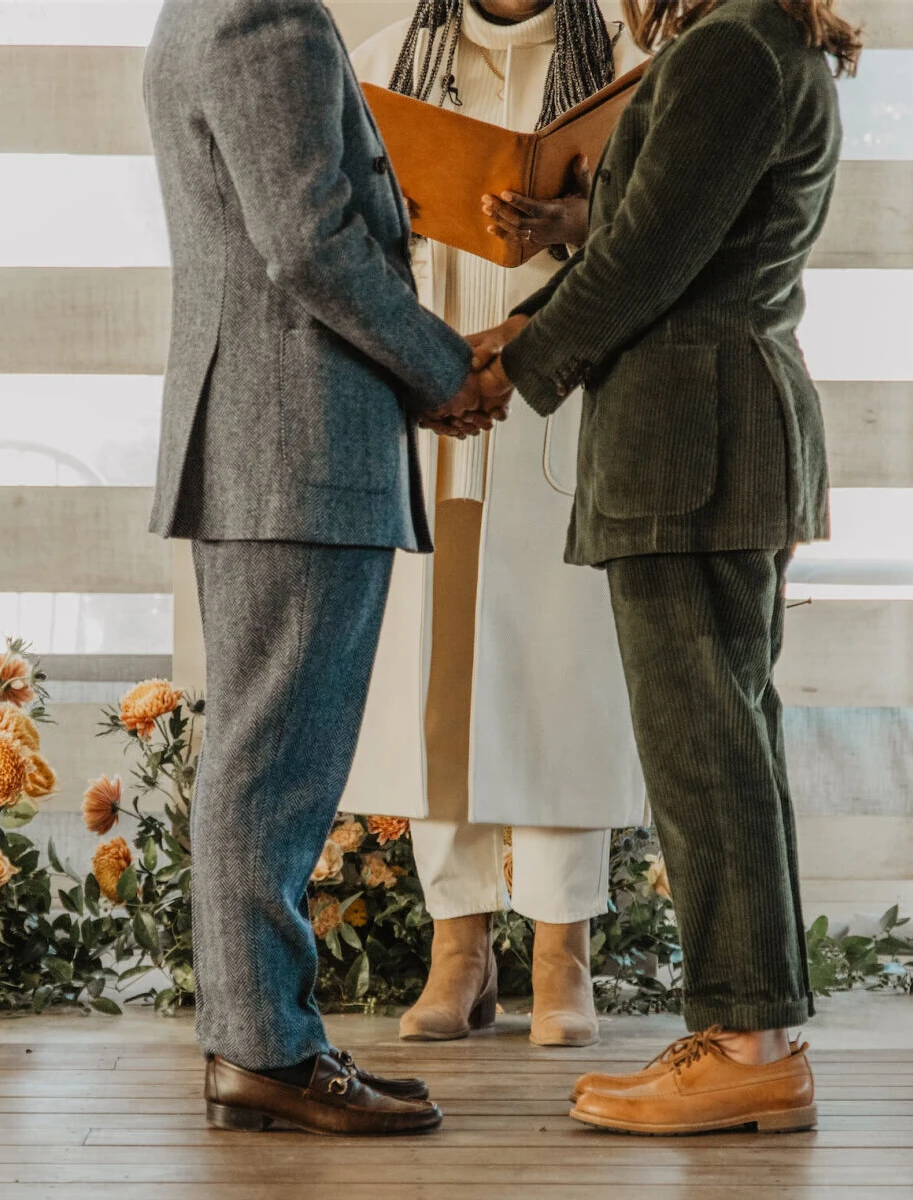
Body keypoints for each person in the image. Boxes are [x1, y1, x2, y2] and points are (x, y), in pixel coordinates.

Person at [467, 0, 860, 1135]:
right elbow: (660, 236)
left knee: (703, 747)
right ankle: (751, 1032)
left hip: (694, 437)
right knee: (721, 738)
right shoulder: (750, 40)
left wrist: (512, 363)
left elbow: (650, 254)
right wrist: (527, 324)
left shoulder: (730, 48)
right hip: (708, 428)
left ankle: (749, 1046)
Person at [142, 0, 510, 1136]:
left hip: (271, 444)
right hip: (294, 444)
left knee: (262, 758)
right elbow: (306, 241)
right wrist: (441, 365)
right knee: (273, 767)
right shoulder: (266, 19)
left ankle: (264, 1040)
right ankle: (264, 1053)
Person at [343, 0, 648, 1050]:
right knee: (438, 684)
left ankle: (562, 953)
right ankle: (458, 948)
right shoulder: (388, 62)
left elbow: (666, 225)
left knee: (565, 676)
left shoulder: (620, 56)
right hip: (436, 406)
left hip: (564, 407)